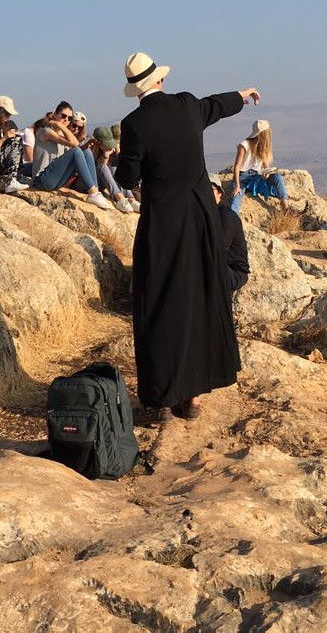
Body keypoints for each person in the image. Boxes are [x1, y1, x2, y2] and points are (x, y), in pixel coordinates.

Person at [115, 51, 260, 423]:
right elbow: (217, 105)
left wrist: (126, 159)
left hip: (162, 225)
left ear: (135, 88)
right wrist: (243, 95)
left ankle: (162, 401)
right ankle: (192, 399)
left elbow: (128, 180)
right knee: (198, 300)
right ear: (160, 81)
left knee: (160, 303)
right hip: (199, 221)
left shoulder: (133, 124)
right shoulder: (187, 106)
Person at [31, 102, 112, 209]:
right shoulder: (45, 131)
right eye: (63, 116)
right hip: (42, 180)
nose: (66, 120)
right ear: (55, 114)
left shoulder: (61, 134)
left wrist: (85, 146)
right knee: (76, 151)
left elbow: (75, 146)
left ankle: (95, 191)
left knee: (86, 151)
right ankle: (93, 192)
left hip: (56, 181)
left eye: (69, 118)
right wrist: (59, 125)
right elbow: (74, 144)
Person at [230, 119, 291, 214]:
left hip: (256, 176)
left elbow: (265, 164)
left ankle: (286, 209)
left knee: (278, 177)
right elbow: (237, 167)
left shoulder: (263, 146)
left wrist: (267, 172)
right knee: (235, 200)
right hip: (242, 178)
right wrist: (237, 186)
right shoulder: (244, 145)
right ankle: (231, 220)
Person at [210, 173, 250, 295]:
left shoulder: (226, 217)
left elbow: (217, 250)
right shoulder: (208, 215)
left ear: (220, 193)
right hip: (220, 266)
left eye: (209, 190)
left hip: (234, 271)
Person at [90, 126, 136, 213]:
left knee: (115, 169)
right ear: (99, 143)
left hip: (99, 183)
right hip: (88, 183)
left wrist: (117, 151)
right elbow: (99, 170)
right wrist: (106, 156)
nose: (110, 146)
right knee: (103, 167)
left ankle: (131, 199)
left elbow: (122, 166)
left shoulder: (108, 150)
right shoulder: (90, 148)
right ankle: (119, 198)